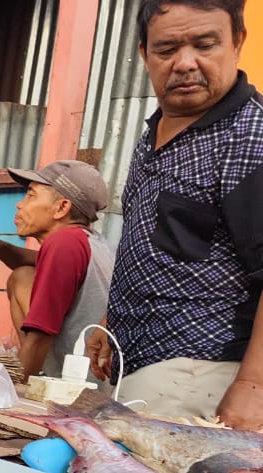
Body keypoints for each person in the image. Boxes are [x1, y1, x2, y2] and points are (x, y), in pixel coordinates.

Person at [85, 0, 263, 429]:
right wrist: (113, 321)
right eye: (167, 50)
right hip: (141, 364)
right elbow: (158, 245)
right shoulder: (155, 133)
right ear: (145, 54)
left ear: (237, 43)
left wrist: (253, 386)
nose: (185, 64)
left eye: (205, 44)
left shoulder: (251, 138)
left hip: (202, 373)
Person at [0, 161, 114, 381]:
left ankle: (35, 375)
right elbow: (42, 262)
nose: (20, 205)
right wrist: (0, 248)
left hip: (77, 386)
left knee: (21, 277)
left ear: (61, 208)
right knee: (23, 274)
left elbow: (41, 333)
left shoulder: (64, 244)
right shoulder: (90, 242)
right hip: (99, 381)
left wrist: (13, 393)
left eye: (31, 195)